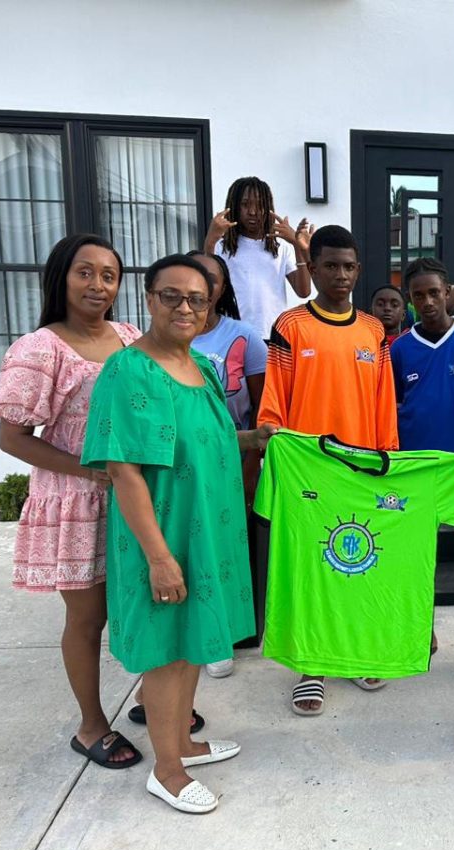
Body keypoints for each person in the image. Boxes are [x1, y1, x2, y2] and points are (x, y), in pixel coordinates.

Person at [81, 253, 273, 814]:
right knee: (167, 653)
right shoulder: (128, 370)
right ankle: (165, 770)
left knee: (192, 643)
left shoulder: (204, 369)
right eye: (172, 296)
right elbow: (124, 470)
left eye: (197, 299)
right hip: (162, 535)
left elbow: (201, 439)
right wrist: (160, 559)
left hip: (208, 531)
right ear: (148, 300)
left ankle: (184, 743)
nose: (185, 307)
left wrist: (251, 439)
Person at [0, 234, 143, 770]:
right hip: (77, 501)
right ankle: (91, 726)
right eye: (86, 272)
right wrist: (93, 471)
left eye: (109, 274)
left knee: (139, 599)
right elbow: (13, 438)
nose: (98, 284)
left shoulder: (129, 337)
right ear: (61, 277)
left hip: (132, 496)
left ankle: (151, 698)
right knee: (89, 617)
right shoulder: (40, 348)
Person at [257, 224, 399, 714]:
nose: (341, 275)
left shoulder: (373, 330)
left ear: (358, 270)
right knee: (312, 567)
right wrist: (274, 437)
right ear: (312, 269)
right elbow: (275, 397)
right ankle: (311, 666)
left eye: (349, 266)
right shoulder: (291, 326)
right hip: (310, 469)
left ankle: (357, 652)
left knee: (360, 556)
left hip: (361, 468)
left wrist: (389, 457)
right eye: (330, 266)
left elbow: (385, 403)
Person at [392, 256, 454, 656]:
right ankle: (423, 628)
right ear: (411, 300)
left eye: (435, 292)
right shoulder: (400, 349)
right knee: (419, 555)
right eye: (419, 295)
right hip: (416, 468)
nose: (428, 301)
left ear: (448, 292)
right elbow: (394, 408)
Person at [188, 250, 268, 678]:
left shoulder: (245, 337)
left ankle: (222, 635)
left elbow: (260, 409)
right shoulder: (161, 341)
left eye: (211, 279)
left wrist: (252, 465)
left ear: (221, 289)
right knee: (186, 549)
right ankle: (195, 631)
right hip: (177, 468)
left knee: (225, 550)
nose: (201, 286)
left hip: (231, 461)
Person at [203, 176, 313, 341]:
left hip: (273, 334)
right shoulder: (222, 246)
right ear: (234, 207)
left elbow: (304, 291)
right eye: (245, 204)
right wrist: (210, 240)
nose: (253, 212)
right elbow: (205, 285)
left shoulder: (280, 248)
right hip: (232, 334)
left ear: (268, 207)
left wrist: (297, 245)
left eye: (260, 205)